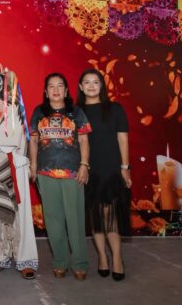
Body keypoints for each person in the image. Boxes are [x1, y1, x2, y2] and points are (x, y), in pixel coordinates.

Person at [0, 63, 38, 279]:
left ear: (4, 83)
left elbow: (18, 137)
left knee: (19, 212)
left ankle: (24, 258)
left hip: (12, 165)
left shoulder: (14, 106)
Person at [28, 73, 91, 281]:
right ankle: (60, 261)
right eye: (51, 86)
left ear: (66, 90)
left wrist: (84, 166)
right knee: (53, 219)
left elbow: (83, 141)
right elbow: (33, 141)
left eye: (60, 86)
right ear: (46, 92)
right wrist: (33, 166)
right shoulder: (39, 112)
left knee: (75, 219)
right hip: (45, 173)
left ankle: (80, 263)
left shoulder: (76, 112)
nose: (55, 90)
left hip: (73, 172)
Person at [77, 69, 131, 281]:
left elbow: (123, 139)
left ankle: (117, 258)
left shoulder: (115, 109)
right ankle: (102, 256)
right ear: (81, 87)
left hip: (111, 168)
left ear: (102, 85)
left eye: (96, 82)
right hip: (88, 170)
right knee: (95, 218)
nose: (91, 86)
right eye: (87, 82)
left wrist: (125, 167)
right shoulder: (76, 112)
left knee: (111, 217)